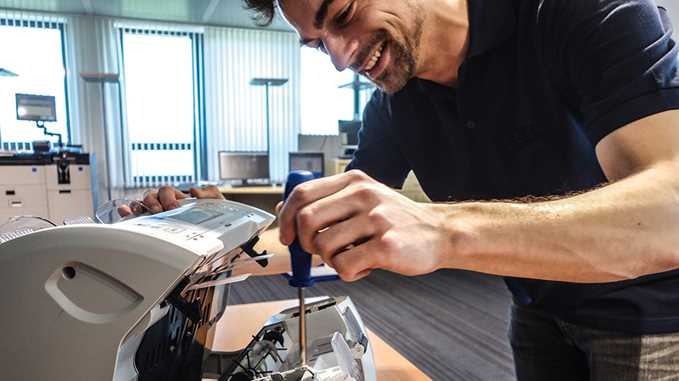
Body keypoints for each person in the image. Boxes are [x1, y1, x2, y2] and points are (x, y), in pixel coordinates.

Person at [125, 0, 679, 379]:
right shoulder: (395, 105)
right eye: (320, 45)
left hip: (650, 315)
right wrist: (205, 244)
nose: (341, 57)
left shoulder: (587, 15)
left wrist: (442, 229)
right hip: (535, 306)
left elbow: (670, 211)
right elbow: (329, 229)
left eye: (341, 15)